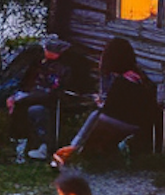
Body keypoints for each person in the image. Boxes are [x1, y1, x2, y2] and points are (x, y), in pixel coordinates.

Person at [52, 37, 158, 167]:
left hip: (122, 122)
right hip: (139, 122)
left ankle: (74, 149)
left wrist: (100, 102)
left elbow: (112, 107)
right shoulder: (138, 76)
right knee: (95, 116)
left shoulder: (122, 80)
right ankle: (76, 149)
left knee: (96, 116)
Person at [3, 34, 86, 162]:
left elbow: (54, 87)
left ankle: (21, 141)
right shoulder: (43, 63)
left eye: (47, 50)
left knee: (22, 104)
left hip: (53, 97)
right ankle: (20, 142)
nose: (45, 52)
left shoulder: (63, 67)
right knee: (23, 104)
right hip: (40, 94)